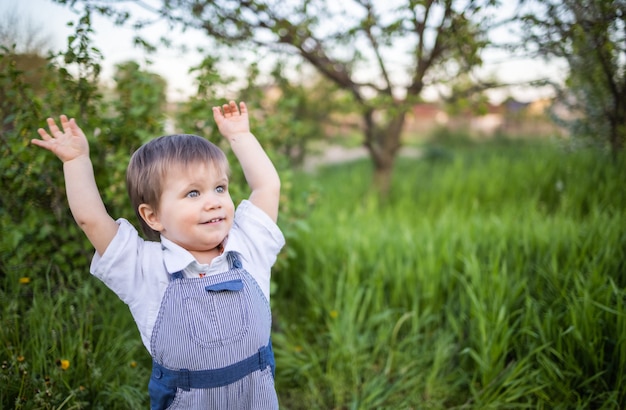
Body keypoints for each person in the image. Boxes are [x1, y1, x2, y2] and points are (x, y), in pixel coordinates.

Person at [32, 101, 285, 409]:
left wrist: (239, 135)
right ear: (153, 217)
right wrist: (75, 161)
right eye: (193, 193)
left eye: (220, 188)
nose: (214, 202)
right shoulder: (146, 268)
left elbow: (267, 186)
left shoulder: (248, 247)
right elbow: (92, 219)